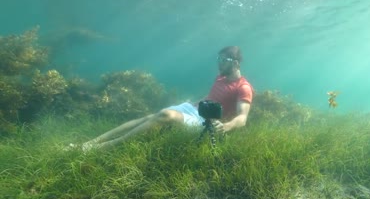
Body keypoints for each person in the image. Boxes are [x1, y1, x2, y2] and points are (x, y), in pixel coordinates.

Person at [72, 46, 254, 152]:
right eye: (219, 58)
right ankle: (90, 143)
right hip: (194, 109)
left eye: (224, 59)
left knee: (166, 115)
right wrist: (194, 103)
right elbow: (213, 96)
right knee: (149, 117)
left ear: (236, 63)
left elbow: (242, 118)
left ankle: (105, 147)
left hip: (208, 123)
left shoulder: (243, 87)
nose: (219, 62)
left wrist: (226, 127)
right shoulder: (221, 76)